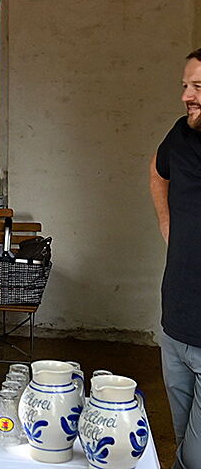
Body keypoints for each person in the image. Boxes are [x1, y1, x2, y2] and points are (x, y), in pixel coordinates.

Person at [151, 48, 201, 469]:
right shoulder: (181, 135)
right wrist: (168, 227)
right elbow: (157, 169)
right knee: (182, 441)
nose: (187, 95)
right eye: (185, 86)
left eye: (198, 87)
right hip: (176, 329)